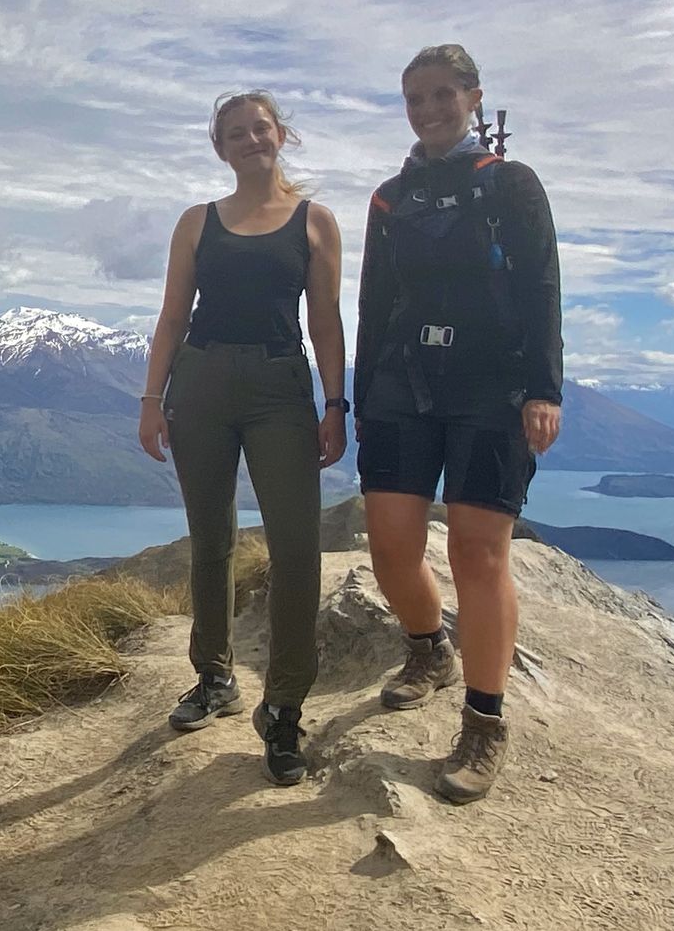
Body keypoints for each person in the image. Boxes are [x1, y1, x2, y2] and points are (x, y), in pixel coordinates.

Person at [354, 44, 563, 803]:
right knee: (391, 547)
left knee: (478, 555)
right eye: (416, 99)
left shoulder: (510, 184)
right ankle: (426, 649)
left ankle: (483, 720)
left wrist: (543, 388)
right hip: (402, 387)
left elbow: (542, 283)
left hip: (491, 389)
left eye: (443, 95)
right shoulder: (389, 198)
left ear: (474, 98)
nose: (430, 110)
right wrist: (355, 399)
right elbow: (373, 304)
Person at [138, 90, 348, 786]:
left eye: (260, 128)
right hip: (198, 384)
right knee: (211, 541)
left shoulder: (315, 223)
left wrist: (335, 403)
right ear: (219, 147)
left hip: (278, 385)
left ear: (280, 135)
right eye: (235, 133)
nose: (250, 140)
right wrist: (151, 400)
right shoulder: (197, 224)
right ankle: (215, 679)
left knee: (295, 549)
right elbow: (172, 317)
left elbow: (324, 323)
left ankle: (283, 706)